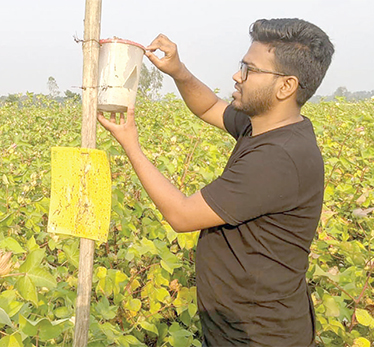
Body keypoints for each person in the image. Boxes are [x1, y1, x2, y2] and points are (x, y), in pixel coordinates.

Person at [97, 18, 334, 346]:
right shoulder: (266, 126)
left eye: (249, 69)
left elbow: (181, 215)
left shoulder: (279, 157)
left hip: (259, 336)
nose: (238, 76)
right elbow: (209, 106)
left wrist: (131, 145)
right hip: (240, 327)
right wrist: (179, 71)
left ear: (286, 86)